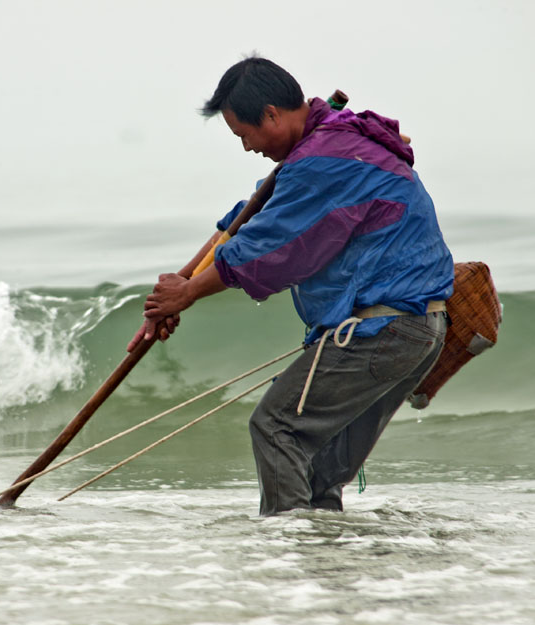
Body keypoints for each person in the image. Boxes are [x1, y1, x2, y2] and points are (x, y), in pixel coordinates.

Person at [128, 56, 454, 515]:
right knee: (318, 472)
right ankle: (322, 577)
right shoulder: (330, 145)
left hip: (383, 329)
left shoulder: (324, 160)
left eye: (244, 135)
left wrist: (188, 293)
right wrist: (180, 283)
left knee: (276, 427)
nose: (246, 148)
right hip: (418, 329)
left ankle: (284, 562)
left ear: (271, 115)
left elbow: (266, 248)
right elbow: (249, 218)